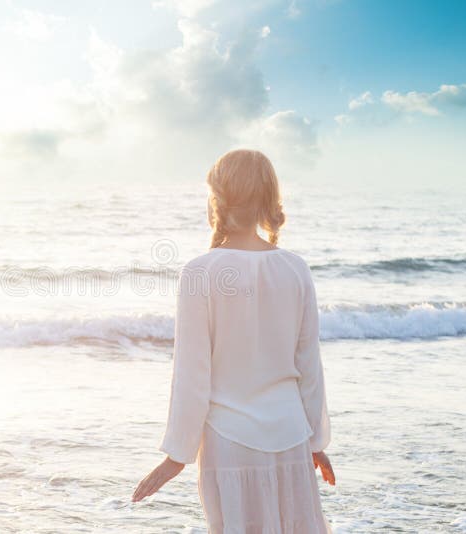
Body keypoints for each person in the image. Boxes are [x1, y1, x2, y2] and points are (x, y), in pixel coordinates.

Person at [132, 149, 335, 533]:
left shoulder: (200, 272)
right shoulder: (296, 269)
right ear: (268, 198)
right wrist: (316, 441)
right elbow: (309, 365)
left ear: (217, 198)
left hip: (231, 442)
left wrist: (177, 455)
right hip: (291, 437)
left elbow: (193, 375)